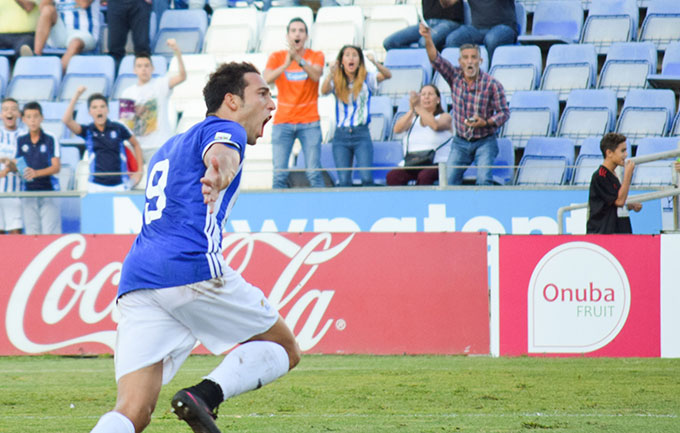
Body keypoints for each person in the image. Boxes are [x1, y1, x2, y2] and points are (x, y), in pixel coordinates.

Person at [87, 62, 300, 433]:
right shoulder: (225, 128)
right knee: (285, 348)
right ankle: (205, 395)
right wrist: (221, 171)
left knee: (132, 411)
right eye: (263, 94)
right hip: (189, 268)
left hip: (138, 278)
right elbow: (223, 152)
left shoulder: (171, 146)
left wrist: (217, 168)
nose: (272, 103)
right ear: (232, 101)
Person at [420, 23, 509, 185]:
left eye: (474, 57)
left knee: (483, 180)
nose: (470, 61)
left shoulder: (492, 84)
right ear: (460, 61)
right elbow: (435, 58)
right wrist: (427, 38)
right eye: (466, 58)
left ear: (480, 60)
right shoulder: (454, 77)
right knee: (448, 181)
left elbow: (504, 113)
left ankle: (483, 209)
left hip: (485, 140)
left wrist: (486, 122)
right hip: (460, 141)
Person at [263, 17, 325, 189]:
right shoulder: (277, 57)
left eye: (301, 31)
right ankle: (276, 212)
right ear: (287, 35)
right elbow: (266, 79)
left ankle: (323, 208)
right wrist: (285, 64)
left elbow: (316, 75)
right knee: (279, 174)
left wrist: (299, 59)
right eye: (293, 31)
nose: (297, 34)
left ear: (306, 36)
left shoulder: (316, 55)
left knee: (314, 172)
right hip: (284, 122)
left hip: (310, 121)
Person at [321, 45, 391, 187]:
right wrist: (331, 72)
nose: (351, 58)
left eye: (354, 55)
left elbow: (387, 75)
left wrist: (375, 63)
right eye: (347, 55)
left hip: (361, 133)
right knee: (344, 181)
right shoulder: (337, 80)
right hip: (341, 135)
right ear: (341, 61)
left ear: (360, 61)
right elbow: (324, 90)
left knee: (366, 178)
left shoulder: (367, 79)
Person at [62, 86, 144, 192]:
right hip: (96, 185)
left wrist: (139, 171)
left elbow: (136, 144)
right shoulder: (88, 130)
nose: (99, 110)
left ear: (107, 110)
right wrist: (77, 95)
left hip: (120, 184)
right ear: (89, 112)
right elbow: (66, 120)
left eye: (102, 106)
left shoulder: (118, 127)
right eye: (94, 107)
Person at [120, 40, 186, 161]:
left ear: (152, 68)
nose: (143, 69)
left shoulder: (161, 84)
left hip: (158, 145)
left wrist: (177, 51)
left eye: (146, 66)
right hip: (136, 147)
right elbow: (126, 123)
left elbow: (182, 76)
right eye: (139, 66)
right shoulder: (127, 93)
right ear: (134, 70)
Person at [386, 85, 452, 186]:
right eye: (423, 94)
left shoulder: (445, 117)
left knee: (424, 176)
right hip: (413, 163)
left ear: (438, 100)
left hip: (436, 164)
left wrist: (419, 107)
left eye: (430, 94)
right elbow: (397, 129)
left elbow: (435, 125)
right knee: (393, 176)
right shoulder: (413, 119)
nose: (426, 97)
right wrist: (412, 110)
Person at [14, 101, 61, 234]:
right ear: (23, 119)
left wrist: (36, 173)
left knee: (49, 233)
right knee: (31, 233)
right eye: (29, 117)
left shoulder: (50, 139)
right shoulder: (20, 140)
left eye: (35, 116)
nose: (33, 120)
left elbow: (56, 167)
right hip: (28, 192)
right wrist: (13, 167)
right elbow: (19, 164)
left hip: (49, 191)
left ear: (42, 118)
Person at [586, 132, 642, 234]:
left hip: (619, 230)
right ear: (609, 153)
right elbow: (619, 201)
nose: (626, 155)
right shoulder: (600, 176)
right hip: (604, 234)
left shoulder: (613, 174)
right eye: (622, 151)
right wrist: (628, 175)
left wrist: (630, 206)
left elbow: (612, 203)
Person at [26, 0, 101, 72]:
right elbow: (42, 9)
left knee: (75, 43)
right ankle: (36, 57)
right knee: (47, 10)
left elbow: (84, 3)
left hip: (84, 34)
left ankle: (56, 75)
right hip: (62, 32)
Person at [441, 0, 517, 63]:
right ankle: (458, 77)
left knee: (492, 39)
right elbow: (447, 3)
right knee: (452, 39)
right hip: (477, 28)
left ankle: (489, 77)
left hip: (504, 27)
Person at [383, 0, 463, 52]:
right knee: (390, 43)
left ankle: (428, 64)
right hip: (426, 23)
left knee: (424, 43)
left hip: (450, 21)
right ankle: (416, 62)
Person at [0, 98, 25, 234]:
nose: (10, 112)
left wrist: (10, 167)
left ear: (19, 114)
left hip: (15, 193)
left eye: (13, 109)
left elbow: (24, 167)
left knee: (15, 235)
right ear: (1, 114)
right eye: (6, 109)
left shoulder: (24, 135)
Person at [107, 0, 152, 68]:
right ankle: (115, 75)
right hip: (115, 3)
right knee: (115, 48)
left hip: (139, 3)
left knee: (142, 47)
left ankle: (145, 77)